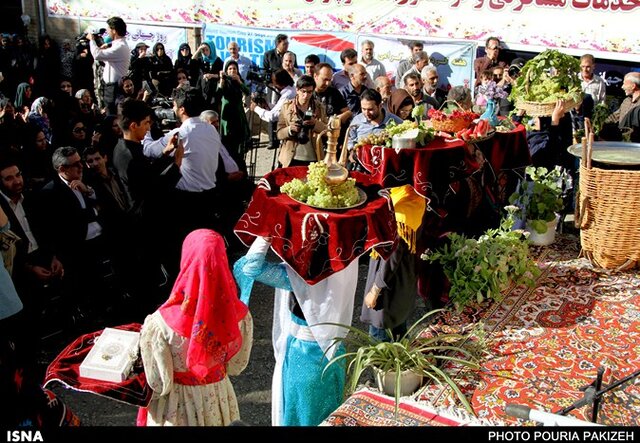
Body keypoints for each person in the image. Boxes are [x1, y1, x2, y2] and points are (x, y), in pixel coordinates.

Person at [234, 236, 358, 426]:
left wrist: (267, 233)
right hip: (334, 353)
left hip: (303, 356)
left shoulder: (299, 279)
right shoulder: (347, 256)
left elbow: (248, 267)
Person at [138, 229, 253, 426]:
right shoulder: (240, 316)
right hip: (218, 400)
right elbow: (237, 365)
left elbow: (157, 383)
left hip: (176, 408)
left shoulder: (159, 324)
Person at [361, 185, 426, 341]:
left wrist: (376, 289)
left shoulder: (401, 209)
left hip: (388, 285)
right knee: (399, 329)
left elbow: (391, 257)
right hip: (405, 276)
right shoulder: (416, 198)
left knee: (381, 338)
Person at [276, 75, 327, 167]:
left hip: (313, 157)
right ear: (297, 90)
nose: (306, 95)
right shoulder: (287, 107)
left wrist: (315, 123)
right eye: (303, 91)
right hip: (291, 157)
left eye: (309, 92)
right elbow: (279, 133)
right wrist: (290, 130)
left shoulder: (319, 108)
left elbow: (327, 131)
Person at [88, 16, 130, 114]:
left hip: (115, 88)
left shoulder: (120, 46)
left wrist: (92, 40)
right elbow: (106, 60)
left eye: (108, 29)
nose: (107, 32)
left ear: (114, 30)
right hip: (110, 88)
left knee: (112, 116)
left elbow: (97, 55)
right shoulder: (116, 45)